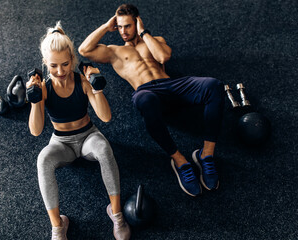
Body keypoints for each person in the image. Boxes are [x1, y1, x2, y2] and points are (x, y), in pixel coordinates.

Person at [78, 4, 225, 197]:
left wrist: (144, 32)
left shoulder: (154, 41)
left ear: (137, 22)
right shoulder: (114, 52)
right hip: (146, 92)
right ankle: (180, 161)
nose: (123, 31)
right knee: (144, 99)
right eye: (120, 27)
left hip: (171, 86)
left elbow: (163, 56)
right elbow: (84, 50)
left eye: (128, 26)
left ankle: (206, 154)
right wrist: (107, 26)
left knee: (214, 85)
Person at [27, 21, 131, 240]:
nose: (60, 71)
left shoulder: (82, 81)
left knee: (103, 149)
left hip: (87, 136)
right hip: (61, 143)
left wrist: (96, 88)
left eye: (65, 64)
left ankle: (117, 213)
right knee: (42, 160)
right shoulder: (44, 89)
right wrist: (35, 100)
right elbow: (36, 131)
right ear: (45, 63)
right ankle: (57, 226)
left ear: (72, 60)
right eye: (53, 66)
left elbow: (105, 117)